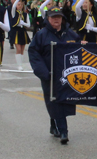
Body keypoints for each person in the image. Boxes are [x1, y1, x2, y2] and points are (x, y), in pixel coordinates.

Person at [28, 7, 83, 145]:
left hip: (66, 75)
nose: (56, 19)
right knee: (53, 101)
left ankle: (54, 125)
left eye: (58, 17)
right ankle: (64, 131)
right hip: (49, 75)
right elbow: (34, 53)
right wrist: (43, 72)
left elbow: (79, 49)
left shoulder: (70, 34)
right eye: (53, 17)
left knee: (63, 101)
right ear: (48, 19)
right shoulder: (41, 35)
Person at [10, 0, 31, 71]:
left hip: (23, 31)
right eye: (18, 4)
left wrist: (24, 23)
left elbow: (28, 24)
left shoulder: (25, 14)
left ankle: (21, 64)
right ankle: (19, 65)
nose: (19, 6)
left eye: (21, 5)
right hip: (16, 31)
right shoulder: (14, 13)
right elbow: (13, 7)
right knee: (18, 49)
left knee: (22, 49)